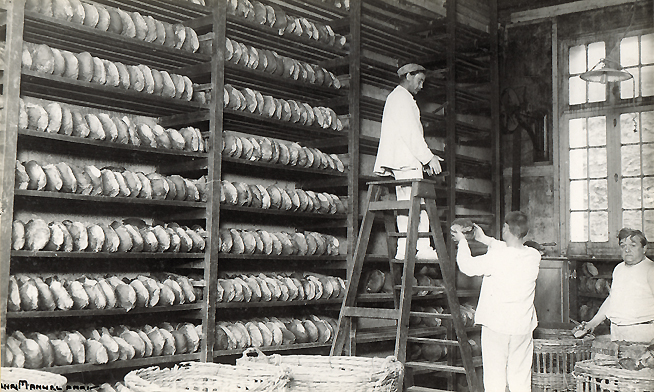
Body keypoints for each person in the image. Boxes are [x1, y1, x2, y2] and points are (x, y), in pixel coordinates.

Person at [451, 212, 541, 392]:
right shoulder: (533, 255)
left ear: (505, 229)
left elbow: (467, 266)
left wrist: (462, 241)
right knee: (520, 378)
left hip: (497, 327)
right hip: (522, 327)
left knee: (495, 379)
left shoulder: (496, 258)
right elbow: (510, 248)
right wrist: (484, 239)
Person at [373, 63, 444, 260]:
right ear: (408, 76)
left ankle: (405, 249)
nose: (421, 87)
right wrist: (428, 158)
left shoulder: (399, 98)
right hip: (405, 160)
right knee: (418, 204)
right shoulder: (401, 99)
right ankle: (422, 247)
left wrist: (426, 159)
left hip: (403, 160)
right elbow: (411, 134)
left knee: (406, 206)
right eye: (419, 81)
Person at [573, 228, 654, 343]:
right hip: (617, 331)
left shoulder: (650, 269)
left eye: (633, 245)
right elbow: (612, 299)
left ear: (644, 248)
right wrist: (593, 323)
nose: (627, 250)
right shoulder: (619, 269)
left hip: (642, 332)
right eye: (623, 246)